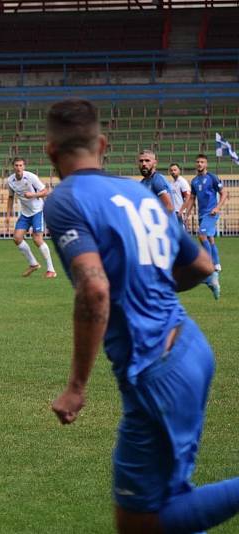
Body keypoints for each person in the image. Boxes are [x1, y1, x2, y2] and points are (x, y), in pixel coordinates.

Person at [44, 99, 239, 534]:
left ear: (51, 152)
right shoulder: (138, 193)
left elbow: (95, 291)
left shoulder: (66, 200)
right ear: (104, 144)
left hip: (155, 367)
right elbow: (202, 266)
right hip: (189, 346)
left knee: (141, 523)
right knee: (169, 503)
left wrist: (76, 386)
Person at [4, 157, 56, 278]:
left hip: (38, 210)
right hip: (25, 213)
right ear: (13, 167)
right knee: (17, 238)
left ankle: (51, 269)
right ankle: (33, 264)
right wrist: (8, 215)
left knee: (37, 239)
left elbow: (45, 191)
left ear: (24, 166)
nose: (18, 168)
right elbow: (11, 197)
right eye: (16, 165)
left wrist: (33, 194)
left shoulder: (31, 177)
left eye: (21, 165)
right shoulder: (10, 180)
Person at [181, 153, 228, 275]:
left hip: (211, 213)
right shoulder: (195, 181)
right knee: (210, 239)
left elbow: (224, 193)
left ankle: (208, 265)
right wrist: (187, 214)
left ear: (206, 164)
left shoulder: (212, 177)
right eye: (197, 162)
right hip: (202, 214)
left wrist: (217, 208)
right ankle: (217, 264)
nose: (199, 164)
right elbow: (192, 198)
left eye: (202, 162)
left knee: (201, 235)